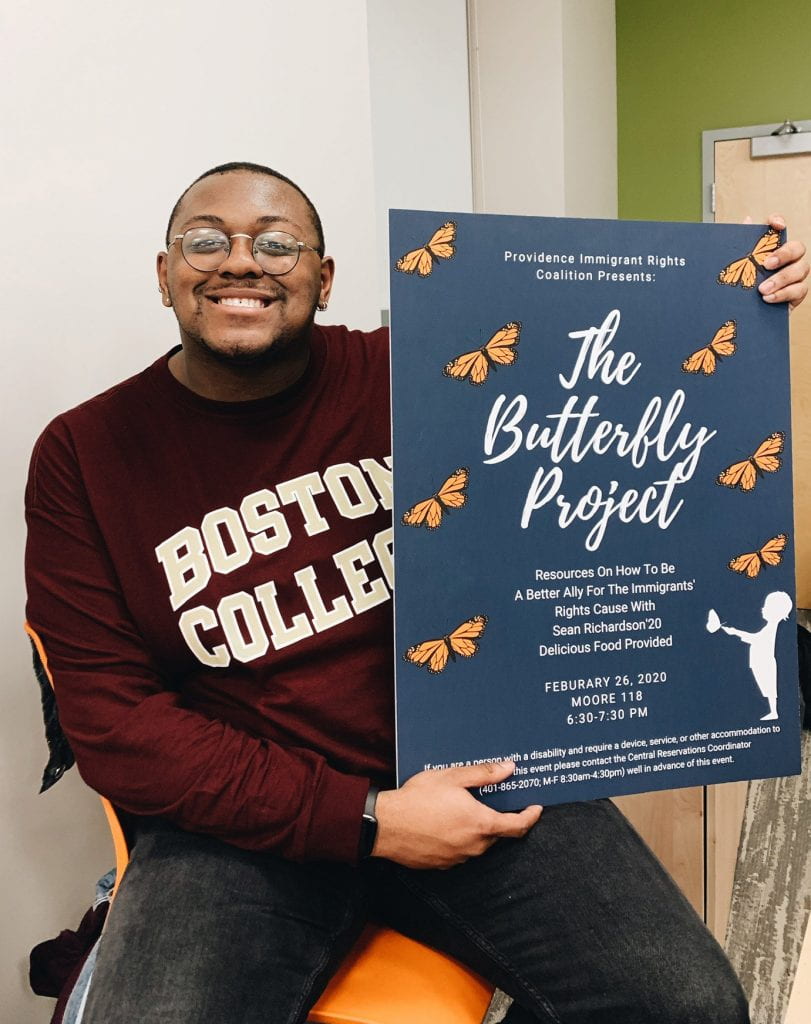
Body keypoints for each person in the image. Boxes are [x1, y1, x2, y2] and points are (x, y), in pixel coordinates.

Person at [24, 161, 809, 1024]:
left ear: (324, 280)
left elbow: (614, 361)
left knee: (688, 1009)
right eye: (207, 240)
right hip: (237, 820)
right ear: (166, 272)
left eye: (277, 243)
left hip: (471, 770)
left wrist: (733, 292)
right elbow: (114, 725)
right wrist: (364, 818)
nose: (241, 261)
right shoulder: (82, 453)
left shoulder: (417, 371)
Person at [722, 590, 794, 720]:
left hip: (764, 662)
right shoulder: (769, 627)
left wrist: (735, 632)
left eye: (766, 607)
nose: (762, 609)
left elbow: (756, 639)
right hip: (759, 661)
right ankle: (771, 711)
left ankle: (773, 712)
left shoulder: (771, 627)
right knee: (765, 688)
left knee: (770, 688)